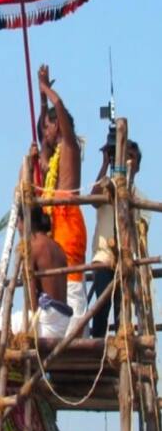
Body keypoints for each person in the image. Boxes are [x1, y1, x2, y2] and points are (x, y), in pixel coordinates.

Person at [36, 64, 88, 337]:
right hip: (54, 225)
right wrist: (41, 99)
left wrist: (46, 88)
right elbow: (41, 143)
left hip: (68, 221)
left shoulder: (70, 146)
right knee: (54, 283)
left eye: (48, 126)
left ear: (58, 125)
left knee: (72, 282)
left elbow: (61, 106)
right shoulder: (52, 156)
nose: (45, 133)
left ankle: (78, 337)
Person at [0, 205, 73, 339]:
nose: (17, 227)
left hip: (46, 324)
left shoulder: (32, 247)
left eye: (18, 222)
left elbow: (31, 304)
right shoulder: (57, 246)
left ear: (24, 222)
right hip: (62, 322)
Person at [90, 140, 149, 337]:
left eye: (132, 158)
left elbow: (139, 231)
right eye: (125, 157)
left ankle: (121, 353)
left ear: (138, 166)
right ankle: (97, 351)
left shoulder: (139, 197)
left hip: (126, 259)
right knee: (101, 308)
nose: (128, 162)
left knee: (122, 312)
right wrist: (105, 164)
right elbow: (93, 200)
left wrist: (128, 178)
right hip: (103, 256)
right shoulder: (107, 186)